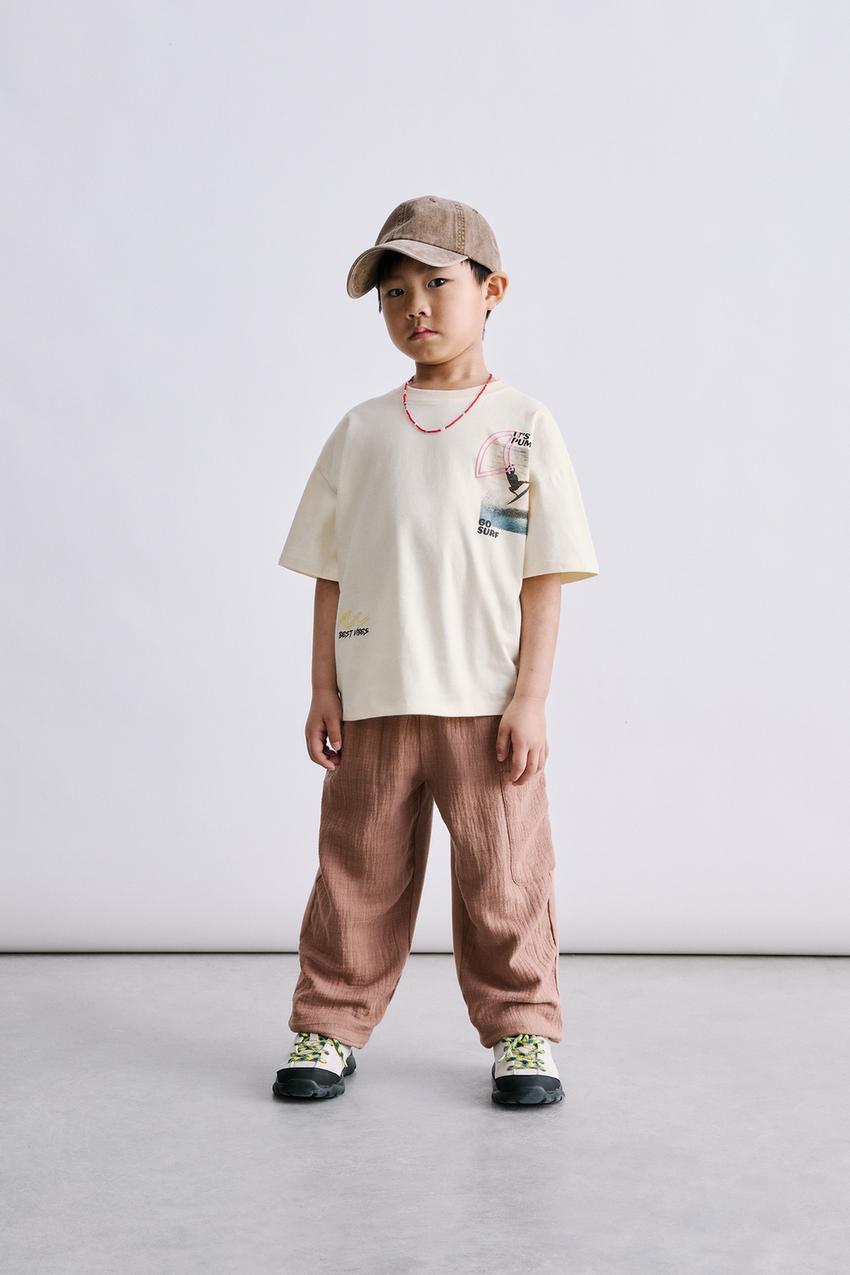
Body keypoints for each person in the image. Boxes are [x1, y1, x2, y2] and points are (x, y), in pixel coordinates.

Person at [271, 195, 599, 1107]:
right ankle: (328, 1023)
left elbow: (540, 574)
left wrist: (530, 698)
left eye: (437, 284)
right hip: (374, 698)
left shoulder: (518, 426)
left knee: (505, 872)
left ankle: (524, 1027)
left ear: (492, 290)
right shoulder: (363, 430)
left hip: (485, 704)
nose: (414, 306)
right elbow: (330, 570)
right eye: (394, 293)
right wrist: (323, 687)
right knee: (356, 871)